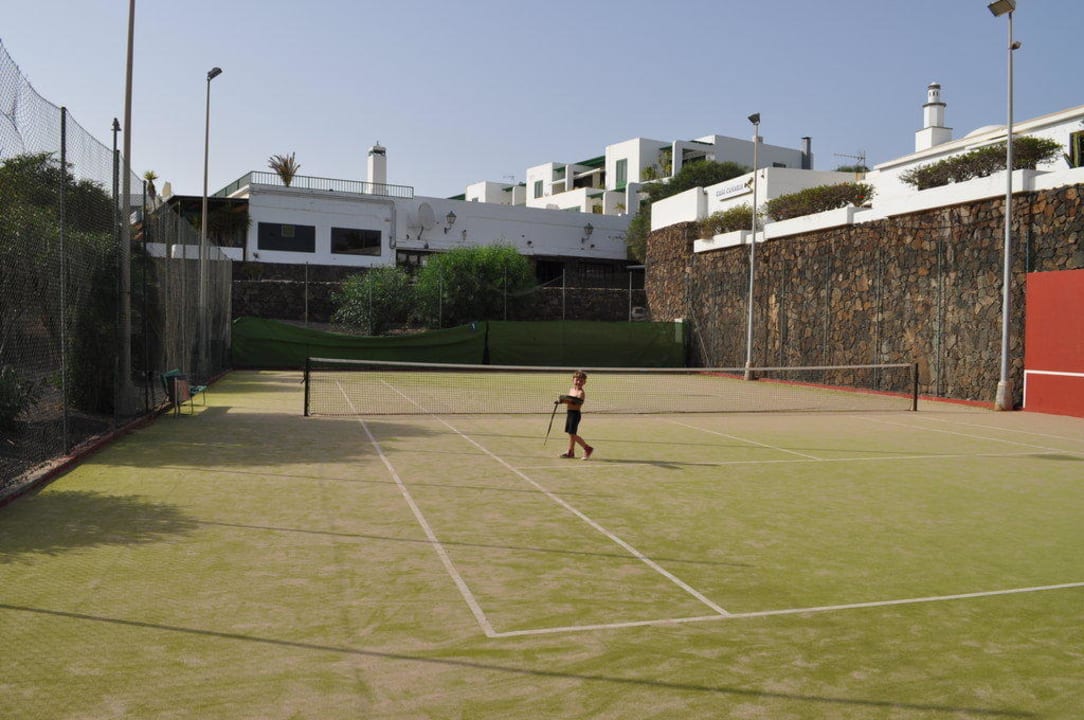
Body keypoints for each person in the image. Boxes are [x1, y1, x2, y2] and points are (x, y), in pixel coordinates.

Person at [556, 370, 594, 460]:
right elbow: (569, 400)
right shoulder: (571, 390)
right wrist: (560, 401)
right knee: (571, 434)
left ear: (584, 382)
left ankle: (587, 448)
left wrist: (563, 400)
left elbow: (575, 403)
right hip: (569, 413)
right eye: (577, 380)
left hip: (575, 415)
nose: (578, 382)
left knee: (572, 434)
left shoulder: (581, 393)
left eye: (581, 380)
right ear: (573, 380)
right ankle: (570, 452)